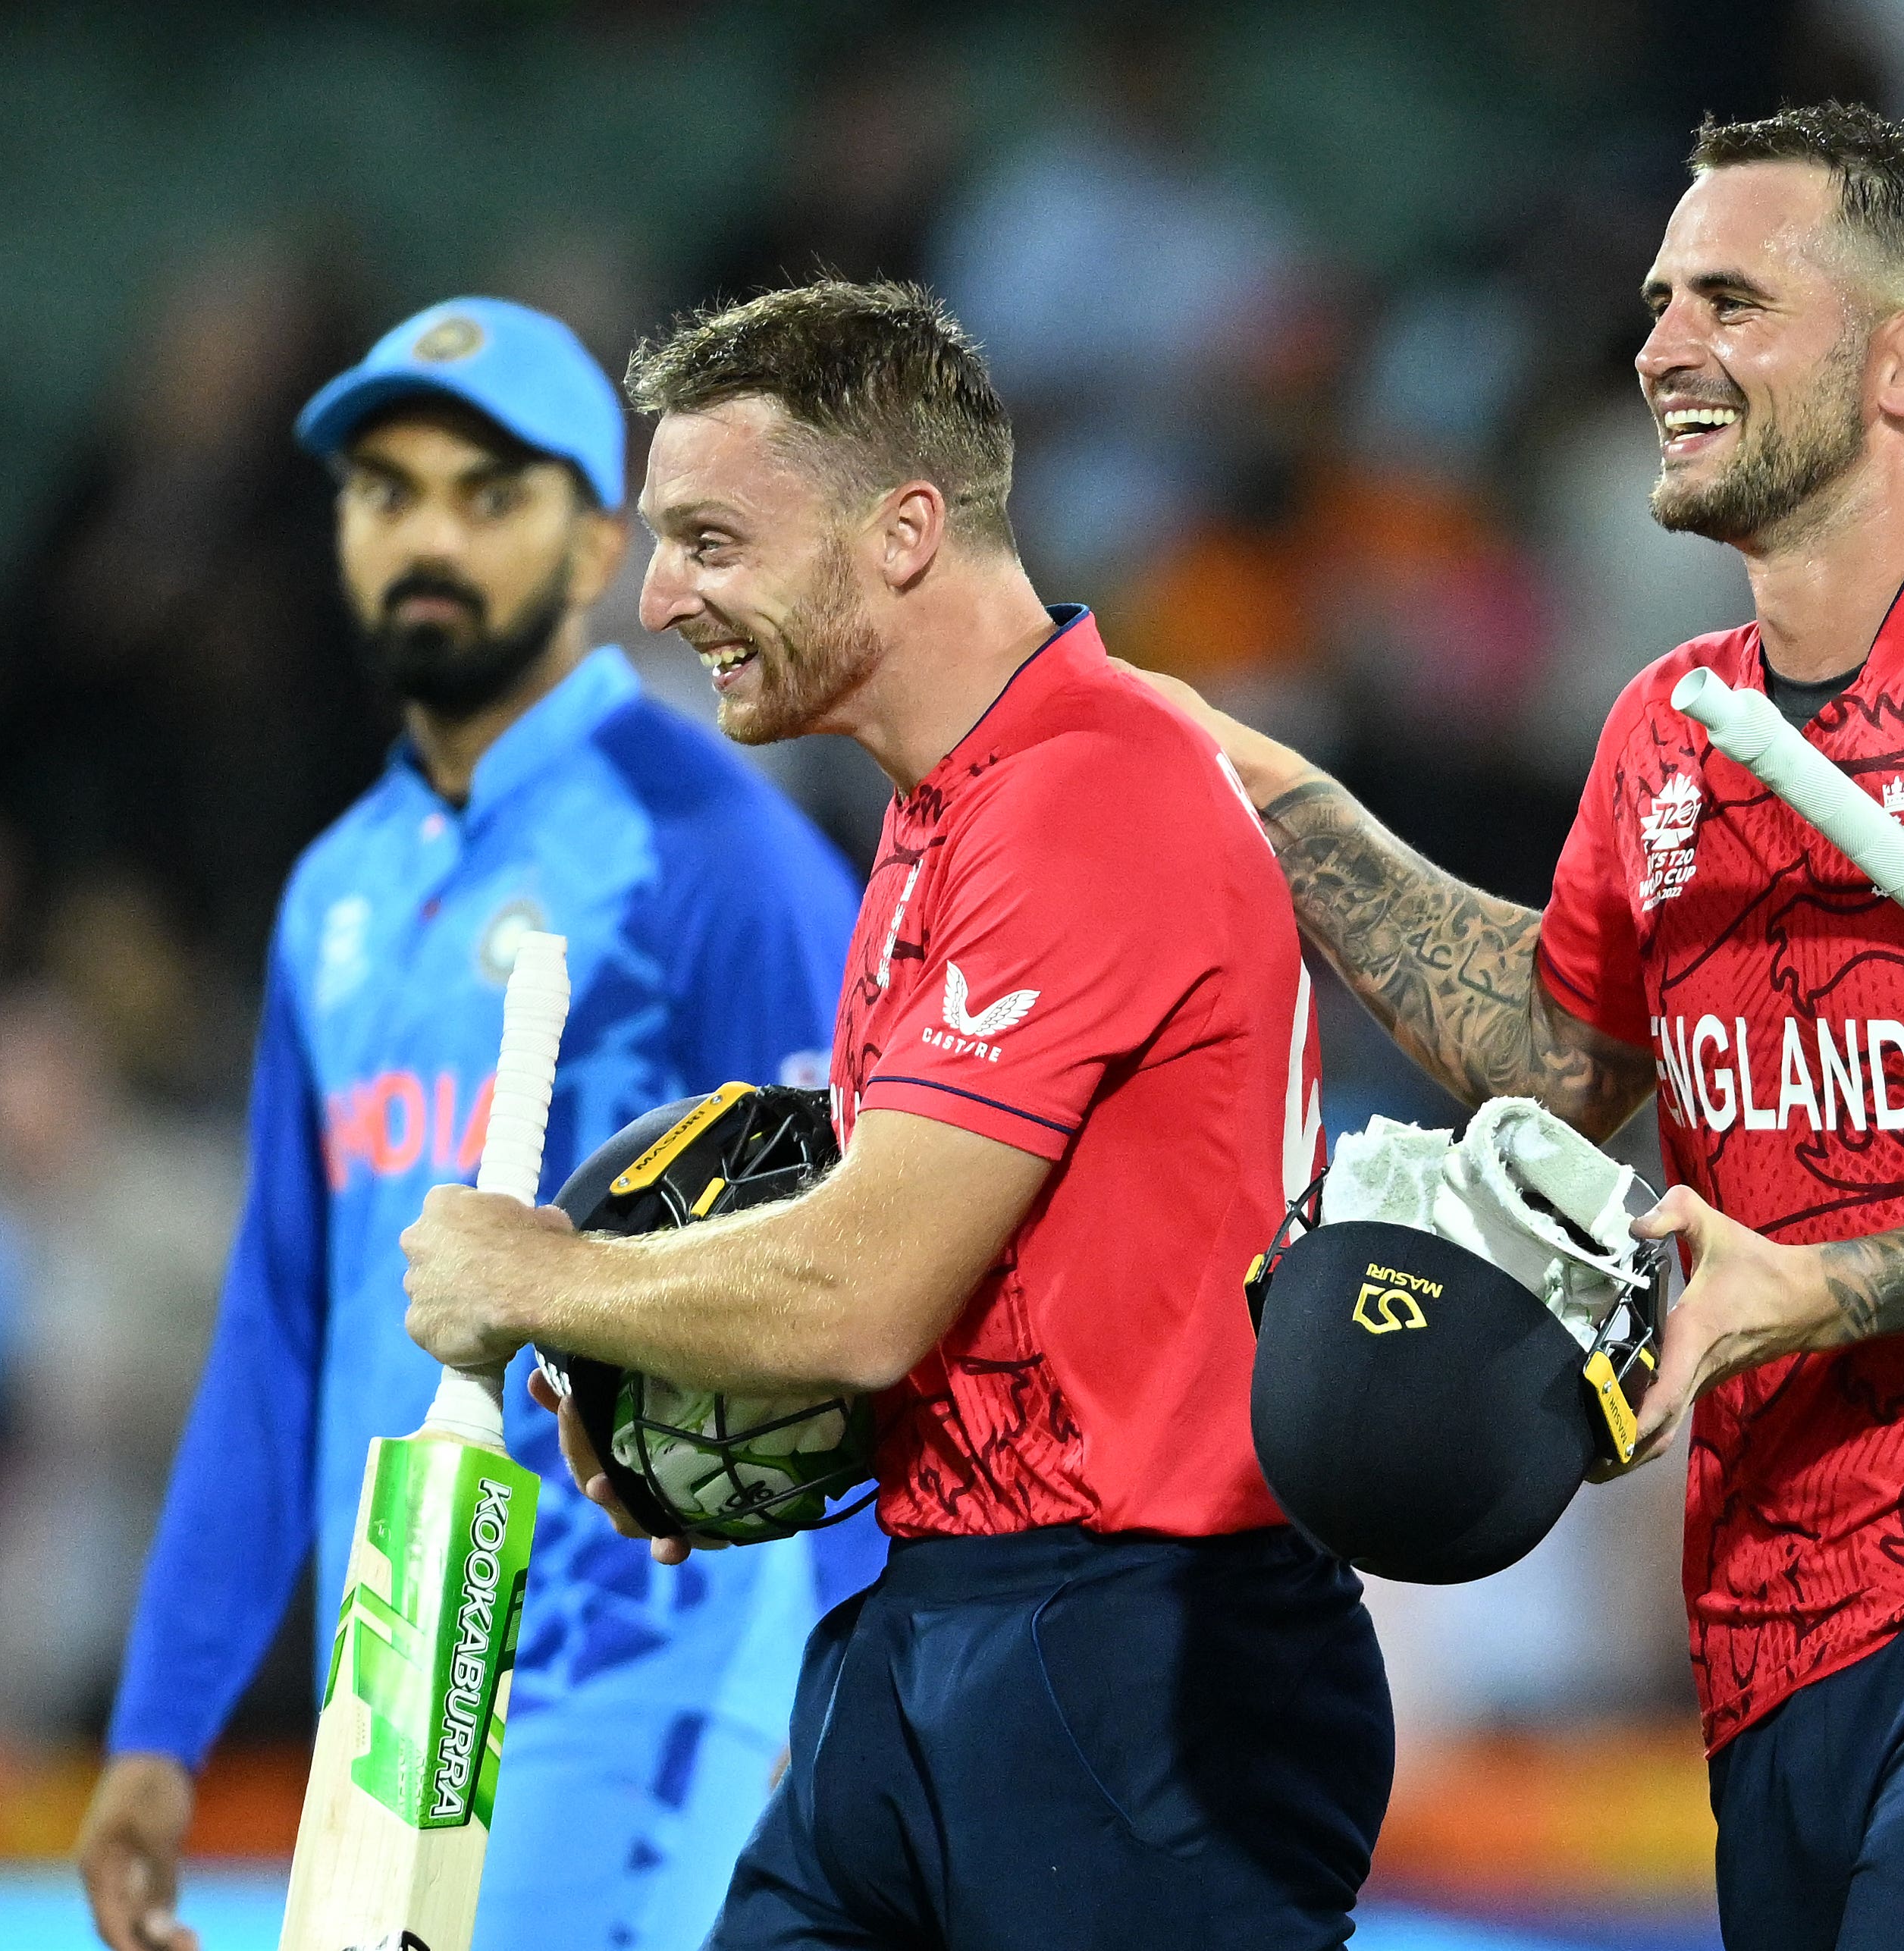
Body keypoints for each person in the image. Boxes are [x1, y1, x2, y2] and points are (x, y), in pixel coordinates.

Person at [1148, 103, 1904, 1949]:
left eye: (1732, 302)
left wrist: (1821, 1289)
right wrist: (1268, 791)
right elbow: (1558, 1057)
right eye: (1660, 298)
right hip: (1778, 1623)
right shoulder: (1666, 727)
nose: (1660, 344)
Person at [397, 278, 1389, 1949]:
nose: (659, 597)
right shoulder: (955, 812)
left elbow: (861, 1298)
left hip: (1136, 1664)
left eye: (712, 539)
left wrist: (535, 1280)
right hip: (943, 1622)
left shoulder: (1088, 793)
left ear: (905, 529)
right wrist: (663, 1372)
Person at [75, 297, 867, 1951]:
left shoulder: (714, 852)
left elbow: (867, 1279)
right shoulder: (334, 893)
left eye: (486, 494)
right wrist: (162, 1725)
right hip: (394, 1680)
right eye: (385, 491)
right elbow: (282, 1322)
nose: (425, 535)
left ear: (594, 543)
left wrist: (860, 1697)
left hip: (638, 1665)